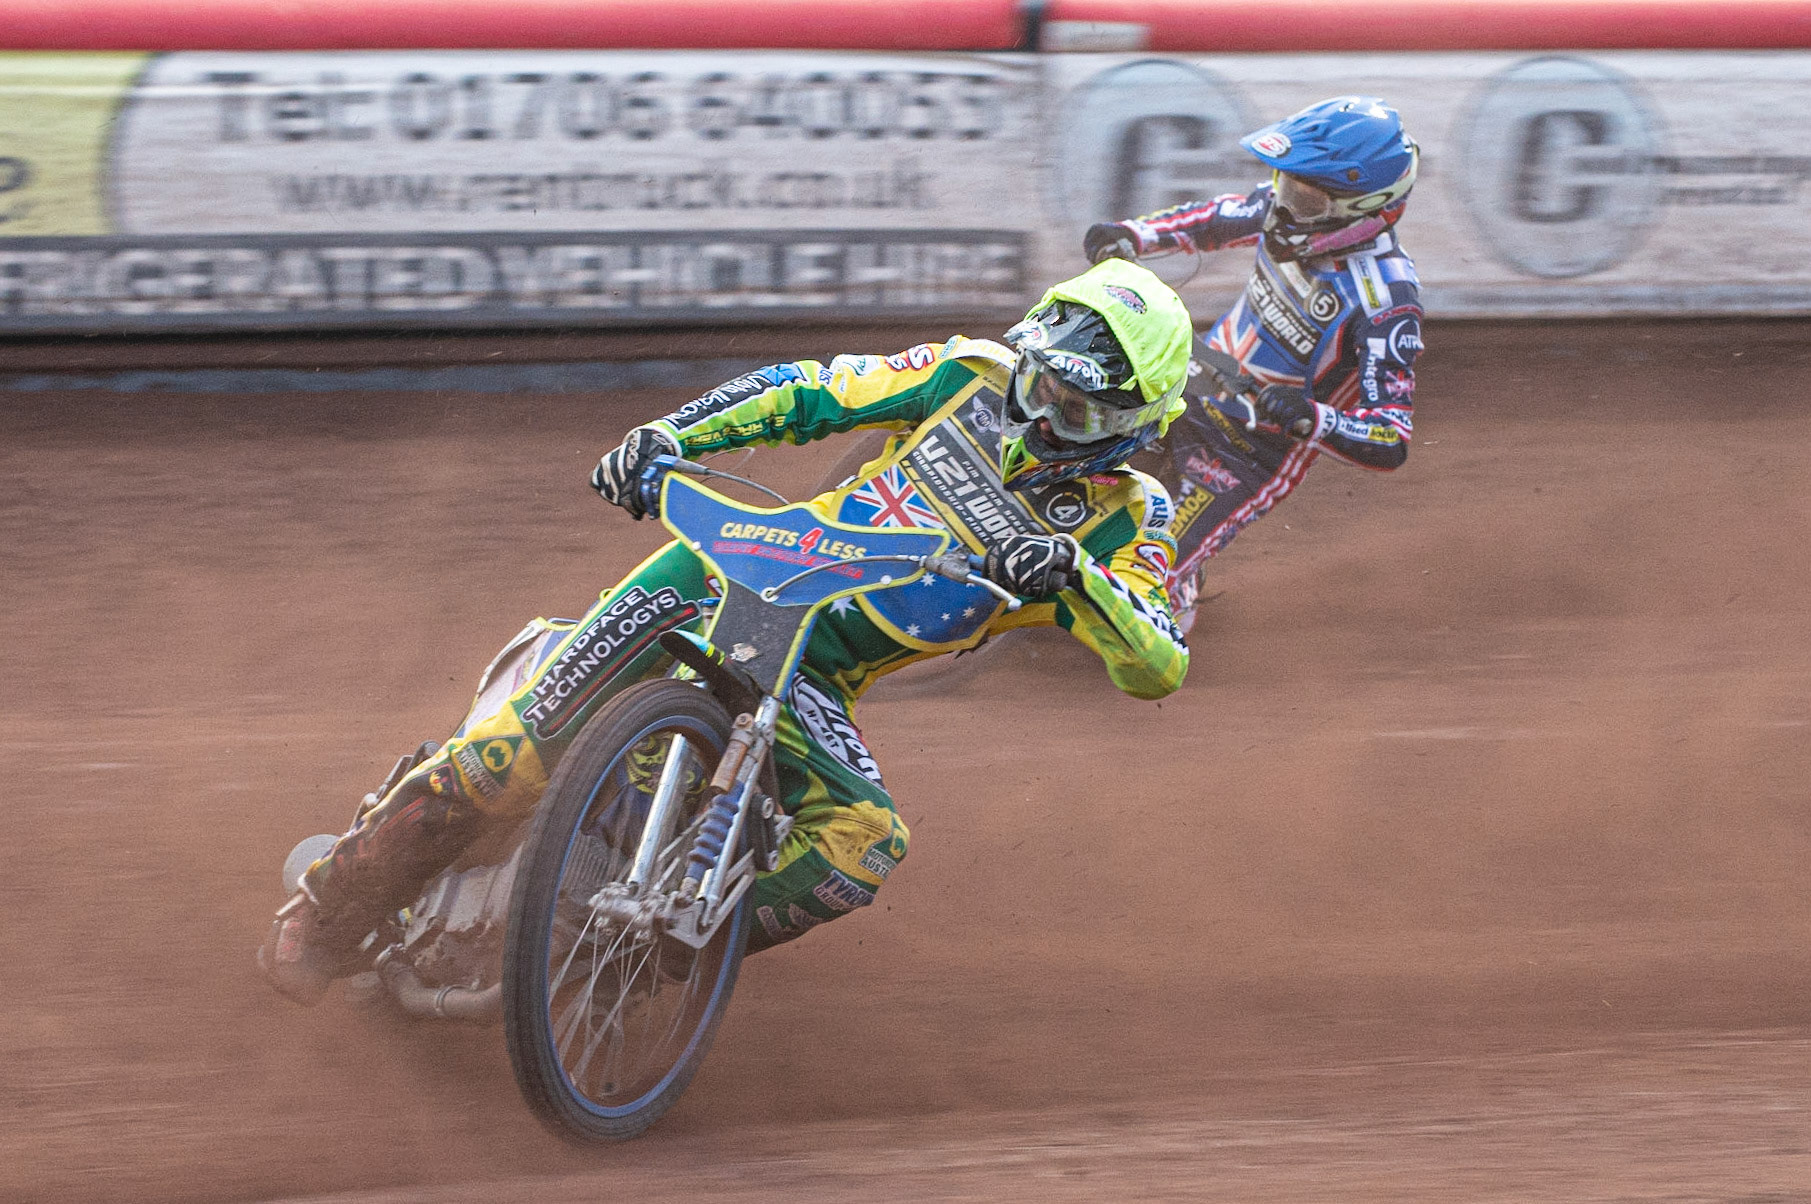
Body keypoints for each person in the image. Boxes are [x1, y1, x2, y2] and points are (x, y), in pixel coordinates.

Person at [258, 258, 1195, 1005]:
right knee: (507, 757)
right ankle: (331, 905)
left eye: (1069, 407)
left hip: (812, 677)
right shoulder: (967, 377)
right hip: (726, 567)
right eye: (1035, 378)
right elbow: (812, 390)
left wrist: (1074, 576)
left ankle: (654, 961)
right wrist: (672, 435)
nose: (1033, 410)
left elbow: (1157, 662)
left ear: (1134, 421)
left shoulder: (1130, 518)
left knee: (861, 844)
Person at [1083, 96, 1423, 624]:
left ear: (1362, 206)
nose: (1283, 206)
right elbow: (1216, 220)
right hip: (1186, 380)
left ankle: (1176, 595)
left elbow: (1391, 438)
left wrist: (1313, 418)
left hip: (1248, 450)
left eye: (1304, 198)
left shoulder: (1385, 300)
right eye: (1285, 184)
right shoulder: (1285, 209)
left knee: (1142, 584)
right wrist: (1134, 235)